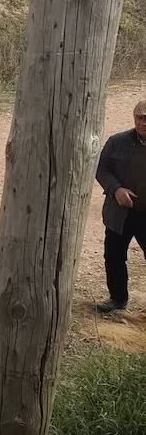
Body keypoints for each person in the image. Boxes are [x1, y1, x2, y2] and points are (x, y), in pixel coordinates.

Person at [94, 100, 146, 314]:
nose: (144, 122)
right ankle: (117, 299)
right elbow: (102, 170)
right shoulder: (117, 142)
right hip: (120, 213)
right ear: (134, 118)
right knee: (114, 257)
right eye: (140, 117)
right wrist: (116, 190)